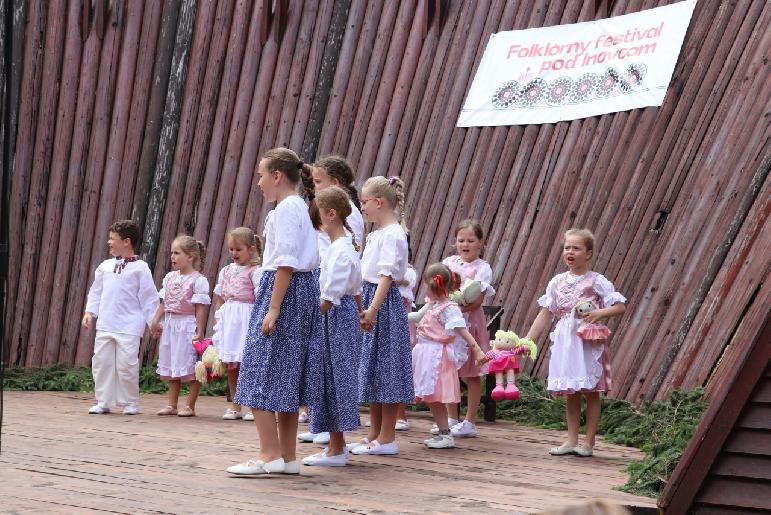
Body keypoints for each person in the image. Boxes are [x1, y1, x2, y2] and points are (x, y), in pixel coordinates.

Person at [226, 147, 321, 476]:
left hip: (284, 289)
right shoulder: (297, 208)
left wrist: (273, 308)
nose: (259, 183)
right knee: (286, 373)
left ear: (277, 176)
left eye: (261, 176)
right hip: (301, 290)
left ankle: (269, 455)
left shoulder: (286, 210)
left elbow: (285, 262)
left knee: (259, 369)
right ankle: (287, 456)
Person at [524, 228, 626, 457]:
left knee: (590, 390)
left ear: (588, 253)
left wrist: (600, 313)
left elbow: (619, 306)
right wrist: (528, 340)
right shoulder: (557, 281)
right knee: (572, 391)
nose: (570, 252)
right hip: (565, 340)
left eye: (576, 248)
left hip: (586, 341)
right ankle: (571, 439)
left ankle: (588, 443)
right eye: (567, 247)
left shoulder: (596, 281)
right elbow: (545, 313)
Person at [350, 176, 413, 457]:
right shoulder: (376, 234)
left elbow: (386, 275)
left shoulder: (394, 234)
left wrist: (372, 309)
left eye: (364, 202)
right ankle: (374, 434)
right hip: (370, 297)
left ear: (379, 202)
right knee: (373, 369)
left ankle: (387, 437)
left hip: (383, 304)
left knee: (386, 370)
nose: (362, 208)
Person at [302, 187, 363, 467]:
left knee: (334, 377)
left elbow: (331, 295)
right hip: (339, 316)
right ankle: (335, 446)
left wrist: (308, 318)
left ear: (331, 215)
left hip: (335, 319)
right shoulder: (343, 247)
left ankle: (337, 449)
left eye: (319, 215)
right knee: (329, 378)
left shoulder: (341, 250)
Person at [83, 220, 159, 415]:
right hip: (106, 324)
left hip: (129, 326)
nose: (108, 242)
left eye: (112, 239)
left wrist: (154, 322)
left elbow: (148, 298)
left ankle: (129, 402)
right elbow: (96, 292)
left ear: (126, 241)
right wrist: (89, 312)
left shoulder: (141, 268)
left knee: (127, 365)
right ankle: (103, 401)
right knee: (101, 363)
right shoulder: (105, 266)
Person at [412, 263, 487, 449]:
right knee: (431, 397)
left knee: (434, 395)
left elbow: (462, 330)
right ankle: (444, 431)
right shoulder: (433, 304)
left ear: (431, 286)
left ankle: (445, 433)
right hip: (425, 352)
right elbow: (415, 317)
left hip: (436, 355)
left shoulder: (448, 308)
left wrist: (477, 350)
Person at [442, 219, 496, 438]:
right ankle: (450, 418)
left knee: (471, 374)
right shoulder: (449, 263)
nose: (465, 244)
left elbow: (477, 302)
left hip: (470, 324)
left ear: (480, 243)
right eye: (461, 240)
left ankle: (470, 421)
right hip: (448, 326)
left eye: (470, 240)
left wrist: (456, 306)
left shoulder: (483, 268)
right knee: (449, 371)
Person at [150, 236, 211, 417]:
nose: (172, 257)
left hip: (186, 324)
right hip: (170, 324)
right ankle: (172, 404)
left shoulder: (198, 280)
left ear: (190, 256)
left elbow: (200, 308)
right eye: (172, 253)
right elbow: (164, 302)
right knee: (172, 361)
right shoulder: (169, 277)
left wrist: (199, 330)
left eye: (177, 253)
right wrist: (156, 320)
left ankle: (190, 405)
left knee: (191, 364)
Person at [212, 227, 263, 421]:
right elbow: (220, 297)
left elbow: (260, 298)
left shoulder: (255, 271)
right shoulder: (225, 271)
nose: (234, 253)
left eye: (238, 249)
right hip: (230, 319)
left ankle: (253, 406)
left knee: (248, 363)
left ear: (250, 249)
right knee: (232, 364)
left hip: (247, 318)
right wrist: (219, 317)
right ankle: (235, 406)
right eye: (231, 249)